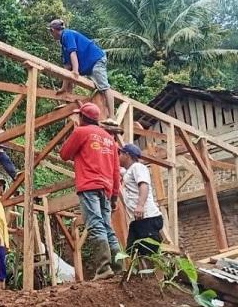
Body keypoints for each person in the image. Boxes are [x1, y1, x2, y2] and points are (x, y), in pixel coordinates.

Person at [60, 102, 121, 280]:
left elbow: (64, 154)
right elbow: (116, 170)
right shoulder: (110, 139)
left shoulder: (81, 132)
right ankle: (118, 267)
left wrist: (76, 130)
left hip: (89, 186)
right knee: (107, 227)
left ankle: (103, 268)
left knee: (95, 224)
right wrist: (115, 195)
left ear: (82, 118)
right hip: (107, 189)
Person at [49, 19, 116, 124]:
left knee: (104, 87)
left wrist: (75, 71)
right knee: (70, 75)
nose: (51, 35)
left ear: (53, 30)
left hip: (96, 60)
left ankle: (112, 117)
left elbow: (73, 53)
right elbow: (67, 67)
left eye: (51, 32)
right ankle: (68, 102)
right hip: (88, 66)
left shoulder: (68, 34)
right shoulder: (63, 44)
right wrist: (63, 88)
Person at [119, 143, 164, 255]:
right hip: (137, 221)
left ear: (127, 155)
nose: (118, 156)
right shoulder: (128, 171)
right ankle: (141, 272)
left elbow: (144, 185)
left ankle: (161, 272)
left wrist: (140, 205)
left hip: (148, 218)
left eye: (120, 153)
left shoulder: (138, 167)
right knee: (131, 251)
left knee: (150, 254)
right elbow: (119, 170)